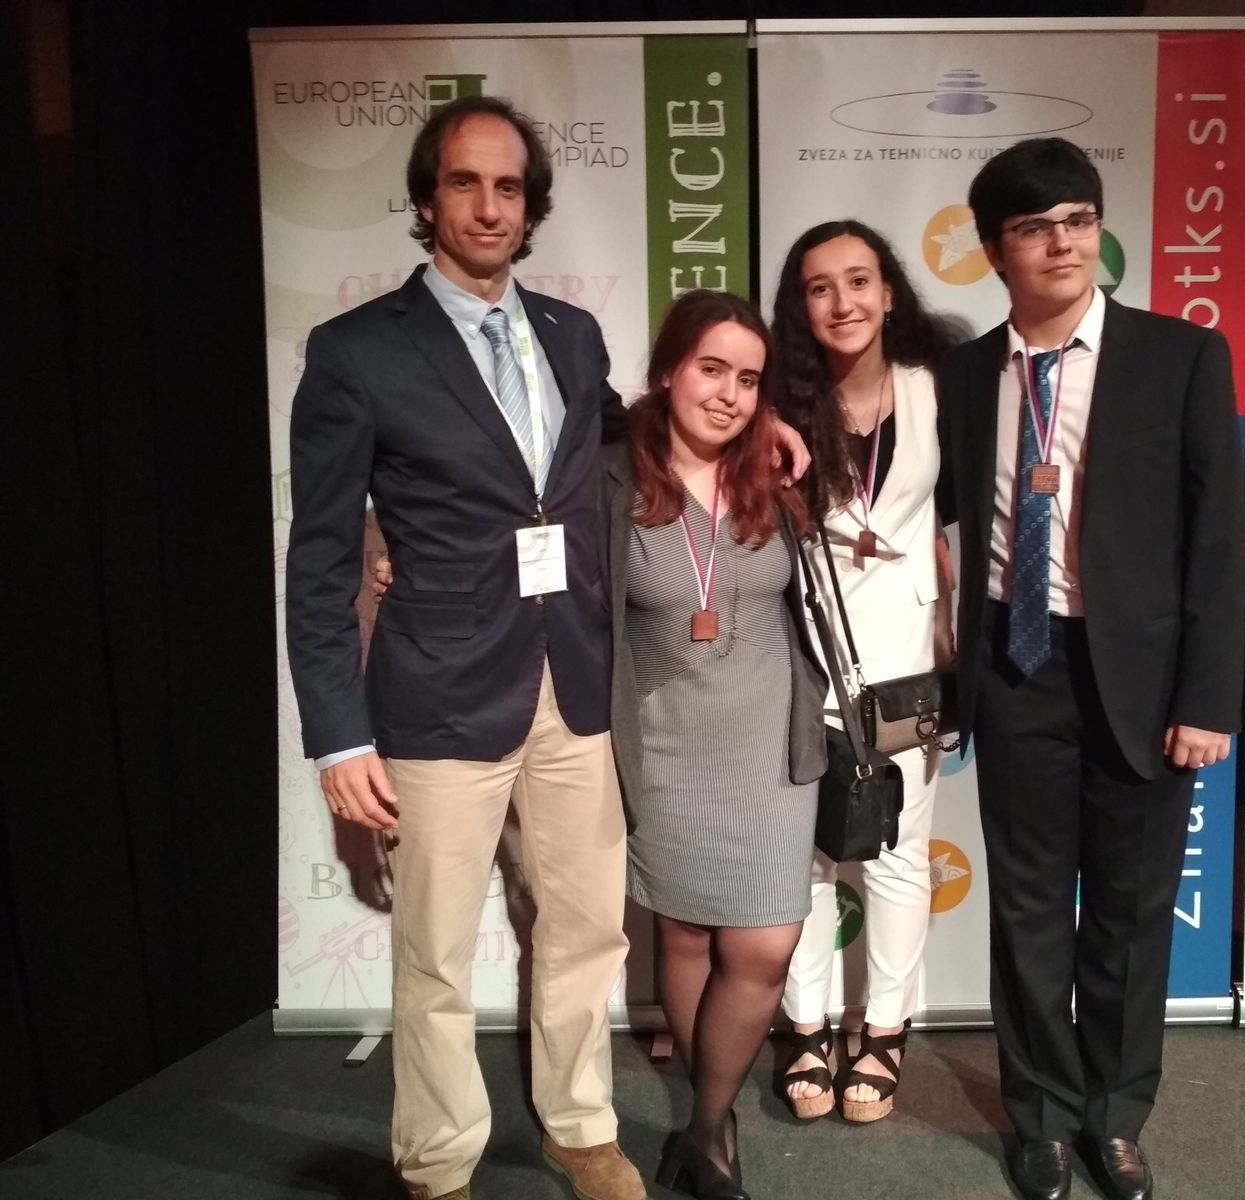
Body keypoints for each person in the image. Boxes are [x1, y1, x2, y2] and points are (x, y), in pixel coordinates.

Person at [286, 94, 649, 1200]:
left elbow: (614, 445)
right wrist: (338, 735)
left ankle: (579, 1123)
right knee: (436, 953)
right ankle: (438, 1161)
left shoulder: (572, 336)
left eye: (508, 186)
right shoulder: (356, 353)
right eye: (464, 183)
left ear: (530, 204)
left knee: (586, 930)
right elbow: (320, 557)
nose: (488, 206)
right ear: (425, 198)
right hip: (437, 691)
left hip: (570, 687)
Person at [935, 138, 1245, 1200]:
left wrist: (1207, 697)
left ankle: (1113, 1117)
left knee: (1128, 910)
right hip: (1016, 665)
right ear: (993, 251)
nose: (1061, 242)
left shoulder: (1180, 358)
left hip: (1145, 684)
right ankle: (1038, 1117)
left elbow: (1218, 539)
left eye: (1076, 218)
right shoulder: (966, 373)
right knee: (1024, 912)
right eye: (1033, 226)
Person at [597, 290, 827, 1200]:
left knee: (763, 949)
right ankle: (715, 1125)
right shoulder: (612, 478)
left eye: (749, 379)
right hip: (662, 747)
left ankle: (702, 1124)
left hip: (770, 748)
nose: (729, 394)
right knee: (685, 936)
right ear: (667, 369)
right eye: (711, 368)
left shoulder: (775, 475)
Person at [766, 220, 954, 1124]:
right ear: (799, 306)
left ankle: (881, 1030)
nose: (842, 303)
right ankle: (802, 1026)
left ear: (888, 293)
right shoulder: (772, 401)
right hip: (795, 654)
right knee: (801, 854)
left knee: (895, 852)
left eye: (859, 281)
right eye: (819, 287)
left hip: (903, 666)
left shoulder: (937, 387)